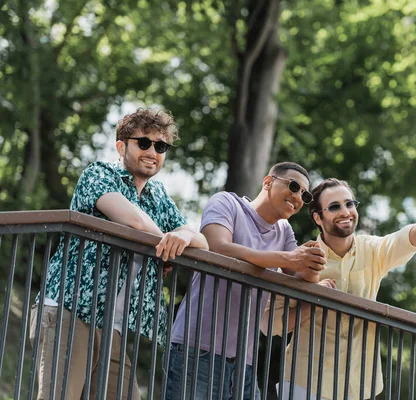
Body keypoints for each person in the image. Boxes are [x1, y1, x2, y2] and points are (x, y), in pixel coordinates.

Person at [30, 108, 209, 399]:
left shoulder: (158, 195)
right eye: (144, 143)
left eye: (161, 146)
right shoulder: (99, 174)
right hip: (70, 309)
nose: (153, 151)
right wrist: (166, 243)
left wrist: (182, 236)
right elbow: (134, 222)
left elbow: (201, 241)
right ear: (121, 146)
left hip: (110, 325)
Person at [266, 178, 416, 399]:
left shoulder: (371, 250)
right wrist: (316, 301)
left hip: (357, 386)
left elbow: (401, 241)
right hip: (305, 382)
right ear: (318, 217)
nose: (345, 211)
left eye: (349, 204)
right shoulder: (304, 257)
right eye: (334, 207)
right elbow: (271, 324)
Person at [167, 162, 327, 400]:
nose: (298, 197)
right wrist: (290, 258)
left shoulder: (284, 231)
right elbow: (218, 247)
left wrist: (313, 261)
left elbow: (299, 278)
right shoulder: (227, 203)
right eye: (293, 186)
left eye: (304, 194)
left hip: (244, 362)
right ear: (268, 182)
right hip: (196, 350)